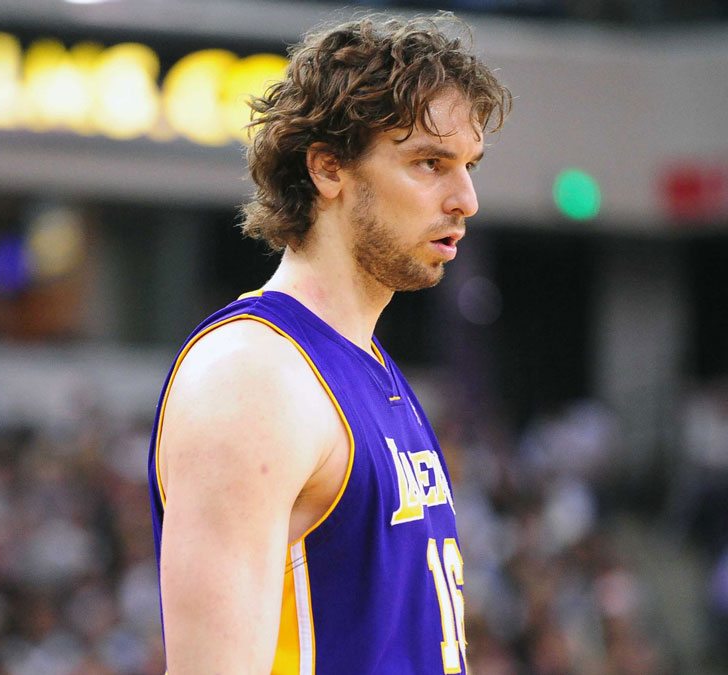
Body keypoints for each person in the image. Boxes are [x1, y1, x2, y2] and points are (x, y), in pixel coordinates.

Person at [147, 13, 510, 674]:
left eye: (469, 166)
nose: (466, 198)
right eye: (430, 163)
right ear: (327, 168)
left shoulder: (371, 365)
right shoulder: (255, 374)